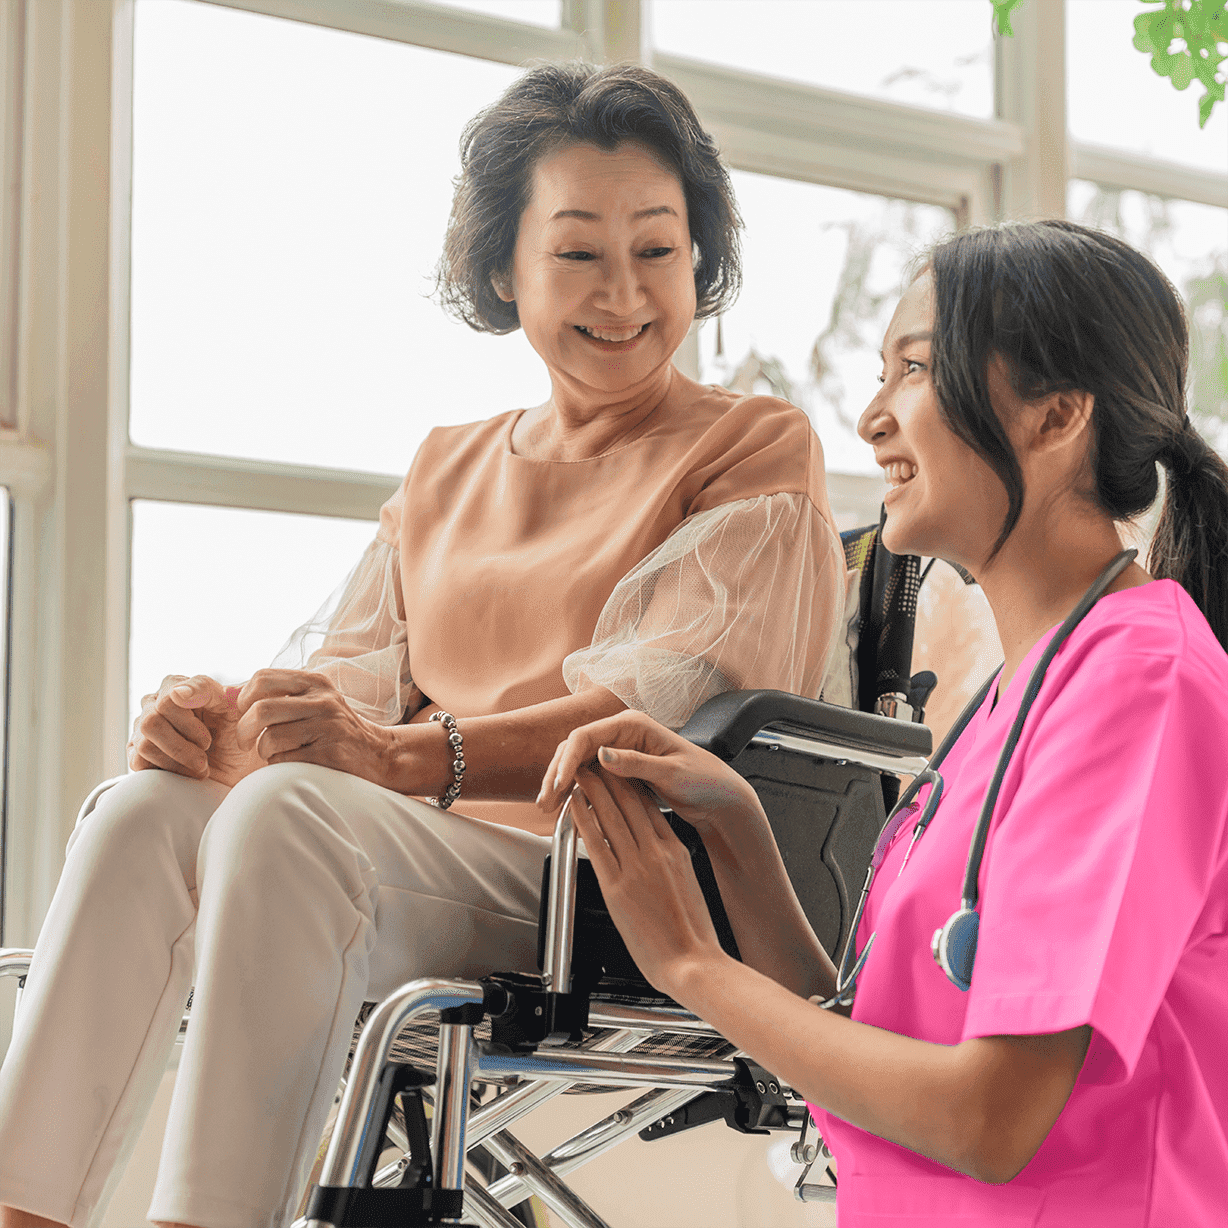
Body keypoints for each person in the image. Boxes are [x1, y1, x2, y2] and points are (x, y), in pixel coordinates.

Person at [0, 63, 849, 1228]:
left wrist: (397, 758)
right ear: (503, 268)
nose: (624, 292)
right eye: (578, 252)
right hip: (410, 856)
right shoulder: (448, 461)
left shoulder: (751, 447)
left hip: (598, 880)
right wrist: (216, 724)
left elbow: (641, 721)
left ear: (700, 261)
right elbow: (339, 694)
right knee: (145, 808)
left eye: (658, 249)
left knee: (286, 817)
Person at [541, 219, 1228, 1226]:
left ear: (1054, 417)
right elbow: (858, 1040)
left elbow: (991, 1119)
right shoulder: (1011, 695)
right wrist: (736, 831)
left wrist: (690, 964)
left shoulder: (1141, 683)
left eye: (913, 367)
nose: (869, 418)